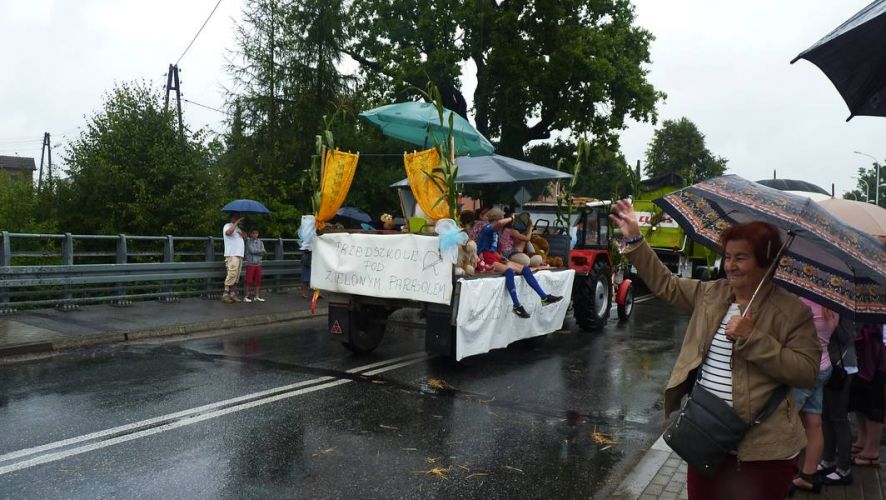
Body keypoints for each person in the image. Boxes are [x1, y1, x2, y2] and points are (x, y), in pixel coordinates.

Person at [609, 199, 819, 500]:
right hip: (706, 437)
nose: (730, 266)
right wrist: (635, 239)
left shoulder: (792, 312)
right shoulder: (713, 293)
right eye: (728, 257)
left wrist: (754, 337)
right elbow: (665, 284)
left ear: (765, 261)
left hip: (764, 449)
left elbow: (807, 372)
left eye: (741, 258)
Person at [475, 207, 562, 319]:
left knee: (525, 269)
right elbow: (498, 227)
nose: (503, 221)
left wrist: (501, 257)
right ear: (496, 219)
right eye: (501, 218)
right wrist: (512, 218)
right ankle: (516, 305)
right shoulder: (487, 228)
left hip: (493, 256)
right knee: (509, 271)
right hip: (485, 258)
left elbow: (494, 249)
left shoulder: (496, 231)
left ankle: (544, 297)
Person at [790, 298, 838, 493]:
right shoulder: (834, 305)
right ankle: (808, 477)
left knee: (787, 423)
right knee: (814, 424)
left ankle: (784, 476)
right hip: (824, 366)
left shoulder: (802, 303)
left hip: (804, 370)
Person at [818, 316, 859, 486]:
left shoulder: (844, 308)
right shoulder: (828, 303)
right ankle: (828, 460)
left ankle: (844, 469)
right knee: (826, 416)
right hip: (828, 365)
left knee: (838, 418)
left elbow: (847, 336)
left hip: (842, 368)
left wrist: (833, 324)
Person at [849, 321, 886, 467]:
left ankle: (872, 451)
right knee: (861, 399)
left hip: (878, 355)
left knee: (874, 404)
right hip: (866, 353)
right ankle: (862, 439)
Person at [222, 213, 246, 303]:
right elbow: (228, 233)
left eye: (238, 217)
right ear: (231, 218)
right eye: (236, 217)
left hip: (239, 255)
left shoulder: (238, 228)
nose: (237, 219)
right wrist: (236, 223)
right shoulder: (227, 225)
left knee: (236, 276)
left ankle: (232, 294)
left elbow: (244, 237)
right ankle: (225, 294)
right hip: (232, 254)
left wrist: (243, 233)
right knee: (232, 273)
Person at [243, 229, 266, 303]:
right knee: (248, 280)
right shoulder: (248, 241)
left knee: (258, 280)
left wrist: (260, 252)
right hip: (250, 263)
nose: (255, 235)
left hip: (258, 263)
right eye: (253, 233)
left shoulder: (261, 242)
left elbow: (264, 252)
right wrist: (260, 251)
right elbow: (252, 251)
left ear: (258, 234)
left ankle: (257, 296)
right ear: (251, 234)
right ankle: (246, 296)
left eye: (256, 233)